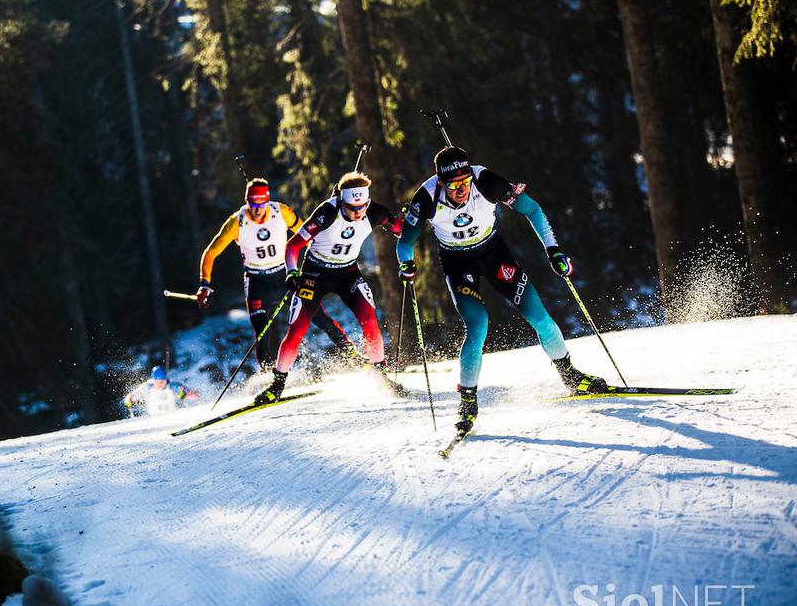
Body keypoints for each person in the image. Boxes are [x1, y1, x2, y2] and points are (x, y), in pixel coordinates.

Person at [396, 146, 608, 429]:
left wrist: (553, 251)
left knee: (540, 318)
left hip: (494, 255)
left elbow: (532, 209)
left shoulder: (486, 182)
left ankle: (570, 376)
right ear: (440, 181)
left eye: (464, 182)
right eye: (453, 185)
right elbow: (405, 242)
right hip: (458, 265)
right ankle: (468, 402)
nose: (461, 190)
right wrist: (406, 264)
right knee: (478, 325)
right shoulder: (426, 197)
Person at [253, 171, 406, 405]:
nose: (357, 213)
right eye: (352, 208)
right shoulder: (327, 213)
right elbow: (292, 247)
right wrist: (292, 273)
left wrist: (410, 220)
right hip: (315, 273)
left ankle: (381, 376)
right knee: (297, 329)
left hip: (347, 273)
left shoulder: (375, 211)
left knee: (370, 319)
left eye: (361, 206)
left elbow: (401, 230)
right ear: (341, 200)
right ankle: (277, 384)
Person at [196, 178, 358, 371]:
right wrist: (204, 283)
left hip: (284, 277)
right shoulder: (236, 222)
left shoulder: (281, 212)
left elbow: (305, 235)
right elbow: (211, 252)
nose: (257, 209)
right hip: (256, 282)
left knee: (318, 316)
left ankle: (352, 355)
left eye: (261, 204)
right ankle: (268, 375)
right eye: (253, 204)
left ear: (267, 201)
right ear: (247, 201)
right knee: (261, 333)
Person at [123, 366, 199, 415]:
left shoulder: (173, 386)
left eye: (163, 381)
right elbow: (132, 397)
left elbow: (194, 395)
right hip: (153, 419)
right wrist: (129, 400)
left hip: (173, 416)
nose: (161, 384)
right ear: (153, 380)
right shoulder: (147, 387)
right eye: (158, 382)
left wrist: (186, 394)